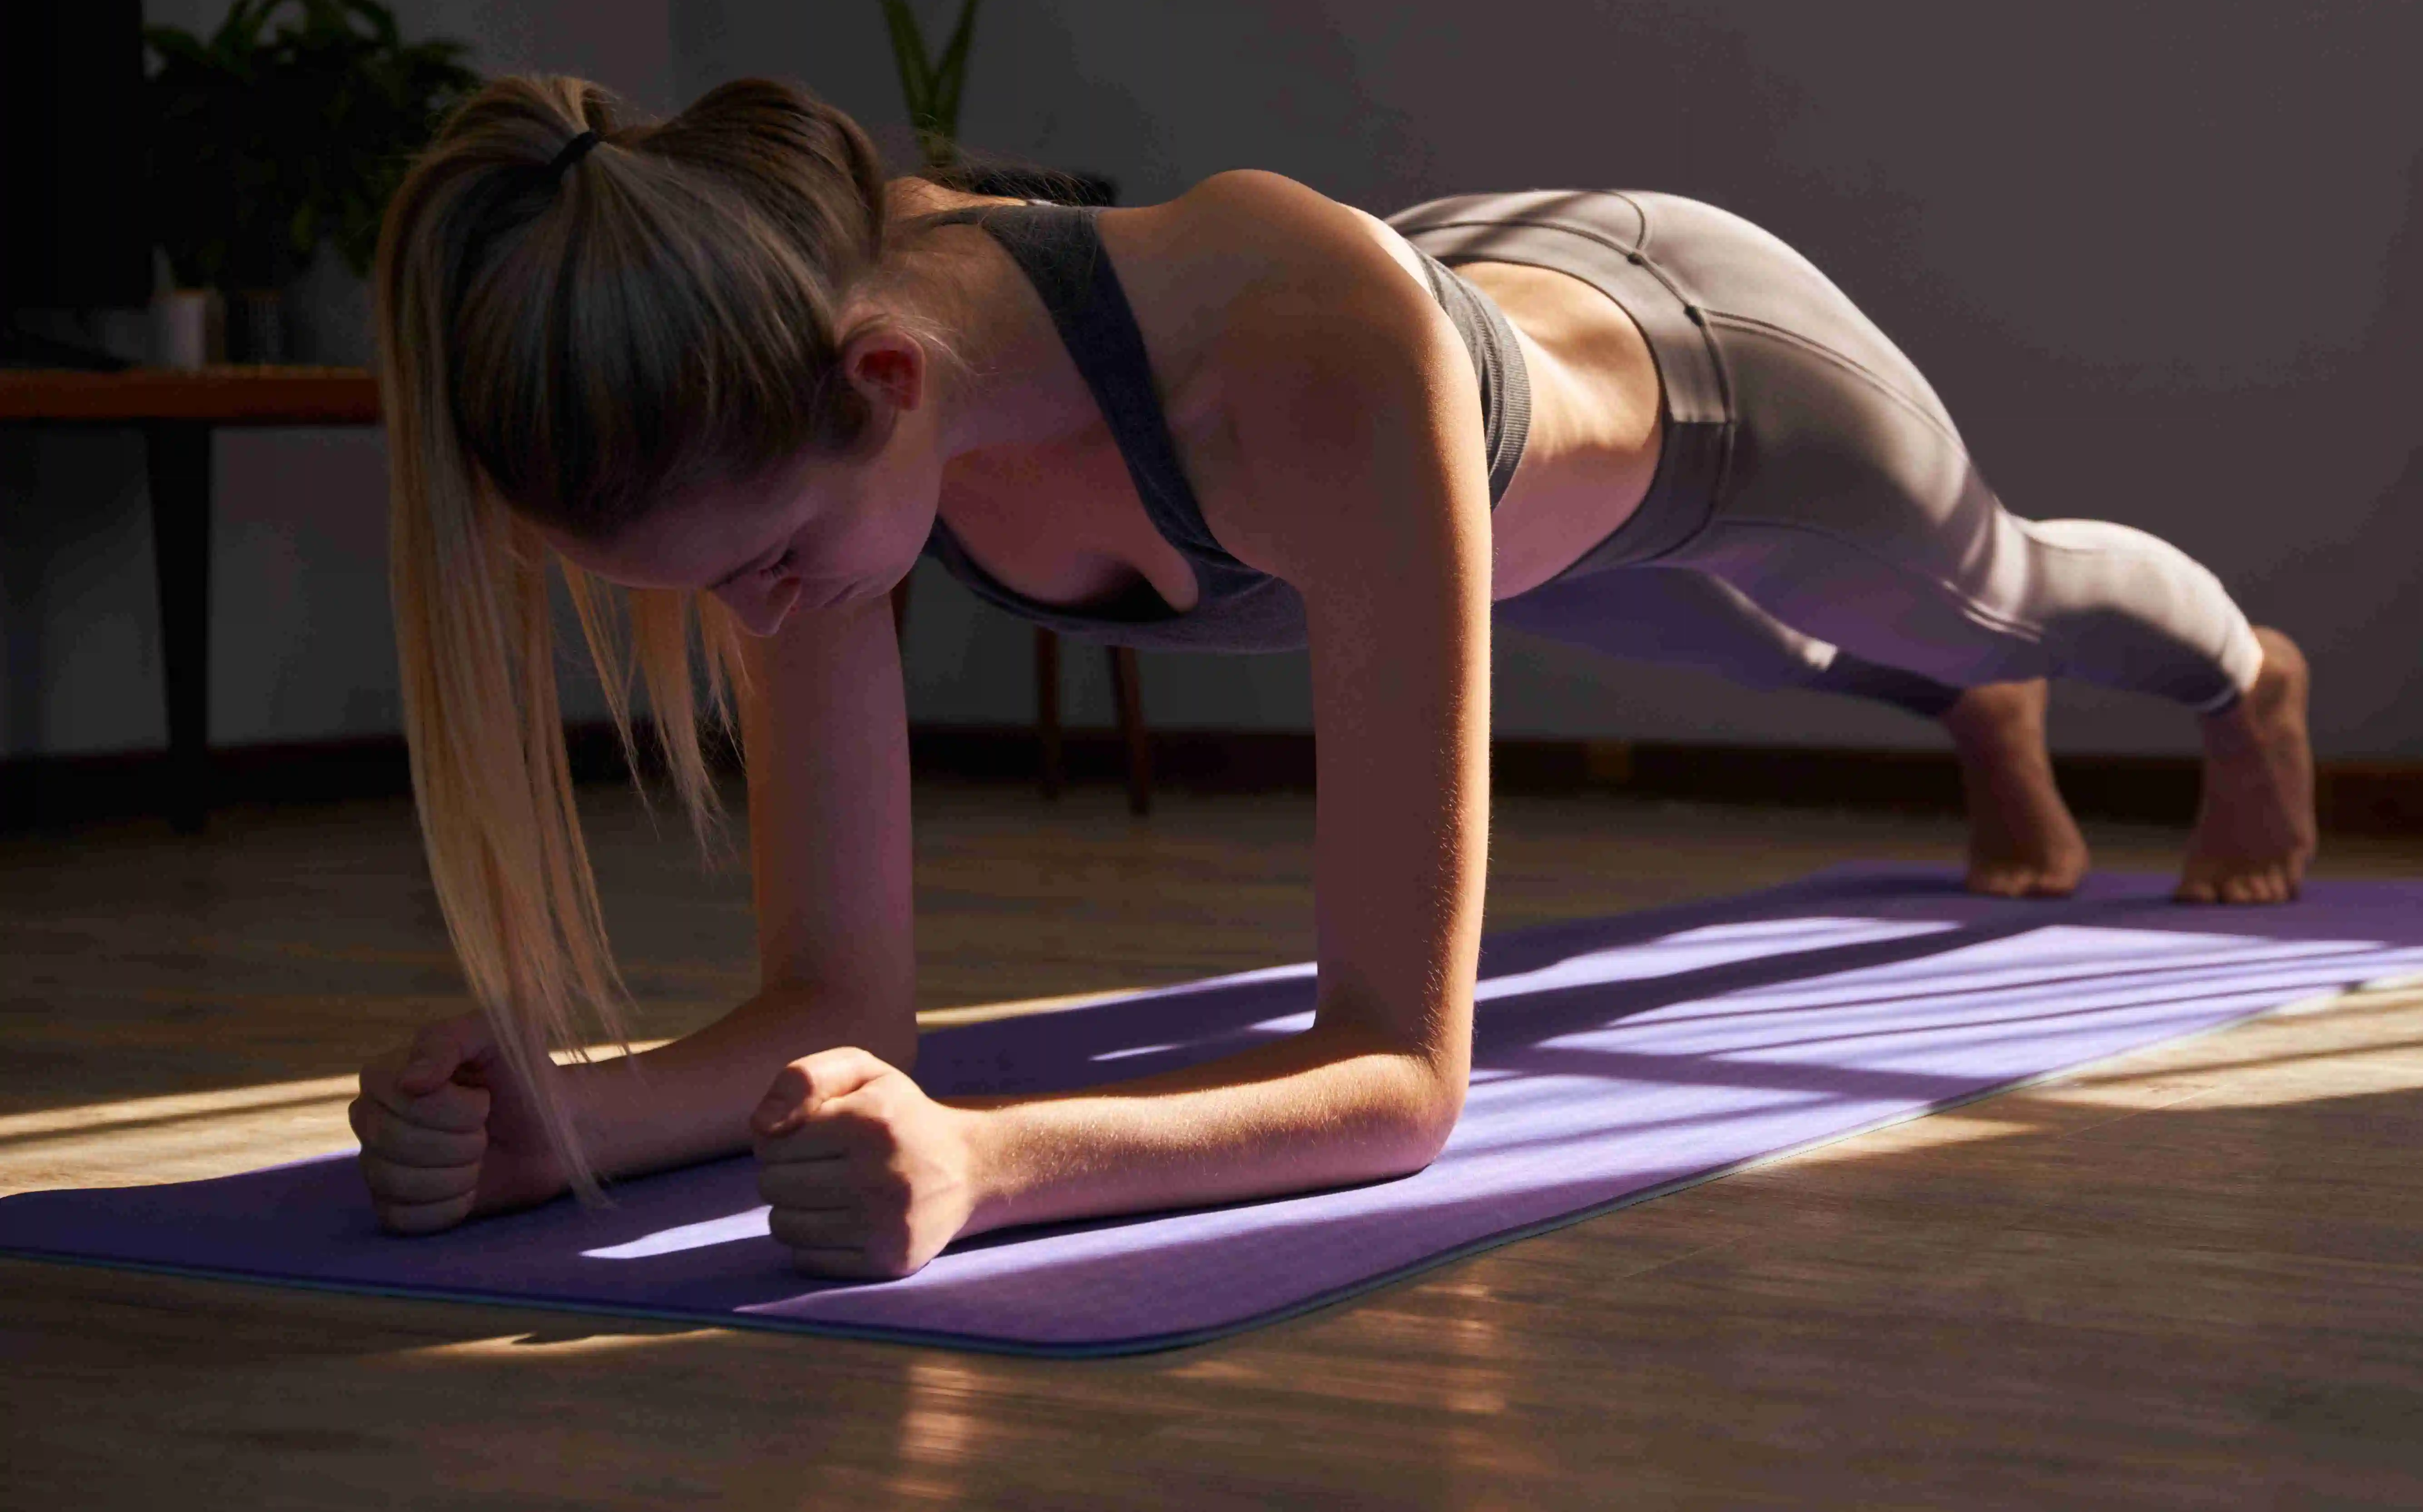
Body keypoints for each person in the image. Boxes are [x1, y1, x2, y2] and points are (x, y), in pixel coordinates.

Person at [349, 74, 2316, 1280]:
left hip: (1718, 373)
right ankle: (1966, 729)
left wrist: (984, 1167)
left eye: (773, 572)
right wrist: (565, 1121)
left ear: (883, 391)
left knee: (1997, 595)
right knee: (1752, 650)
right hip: (1494, 454)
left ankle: (2246, 690)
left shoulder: (1296, 373)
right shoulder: (792, 367)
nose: (767, 625)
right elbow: (833, 1003)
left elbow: (1397, 1081)